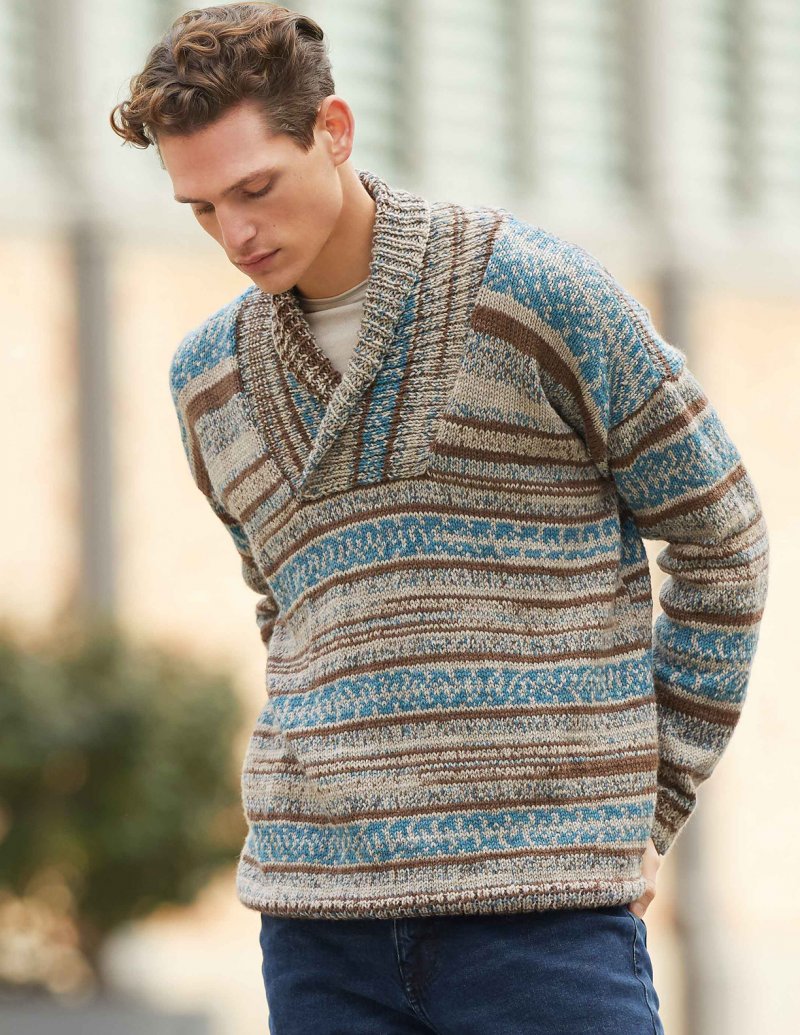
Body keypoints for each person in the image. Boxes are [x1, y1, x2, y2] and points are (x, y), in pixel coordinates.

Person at [109, 4, 769, 1033]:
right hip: (318, 928)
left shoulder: (533, 294)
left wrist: (654, 799)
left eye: (255, 189)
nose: (235, 234)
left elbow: (722, 537)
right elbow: (290, 615)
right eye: (200, 208)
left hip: (542, 915)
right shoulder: (209, 382)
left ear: (333, 130)